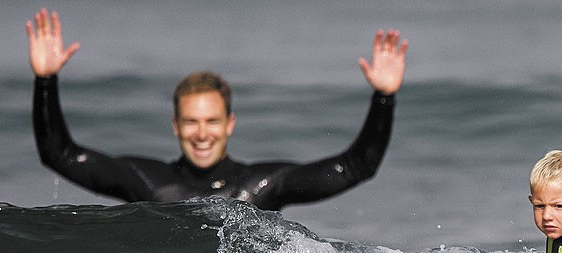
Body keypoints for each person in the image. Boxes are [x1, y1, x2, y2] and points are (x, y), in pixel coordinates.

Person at [25, 8, 408, 211]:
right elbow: (59, 155)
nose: (202, 132)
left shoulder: (262, 186)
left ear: (230, 124)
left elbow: (358, 166)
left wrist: (383, 98)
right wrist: (46, 81)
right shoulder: (147, 181)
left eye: (212, 121)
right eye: (191, 122)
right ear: (176, 126)